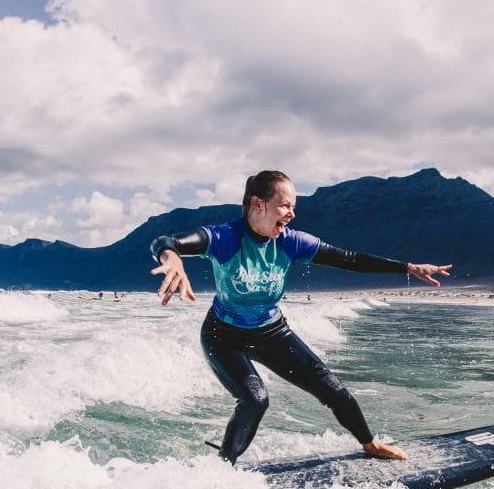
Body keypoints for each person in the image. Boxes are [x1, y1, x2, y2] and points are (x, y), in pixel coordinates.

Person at [150, 170, 451, 464]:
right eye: (285, 205)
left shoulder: (292, 242)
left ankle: (370, 444)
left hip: (271, 332)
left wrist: (407, 267)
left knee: (334, 391)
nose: (292, 214)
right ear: (257, 204)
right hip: (223, 336)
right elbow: (164, 241)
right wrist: (172, 257)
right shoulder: (225, 237)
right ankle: (224, 465)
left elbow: (350, 259)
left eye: (293, 206)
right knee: (254, 400)